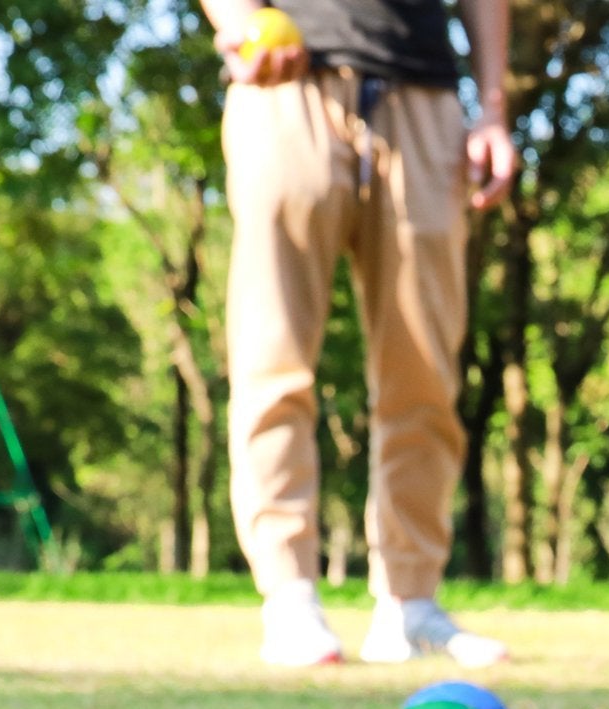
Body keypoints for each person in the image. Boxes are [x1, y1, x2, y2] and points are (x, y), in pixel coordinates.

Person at [201, 0, 516, 667]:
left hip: (423, 93)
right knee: (273, 356)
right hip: (286, 85)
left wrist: (493, 109)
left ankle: (411, 603)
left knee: (425, 371)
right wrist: (235, 22)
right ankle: (288, 596)